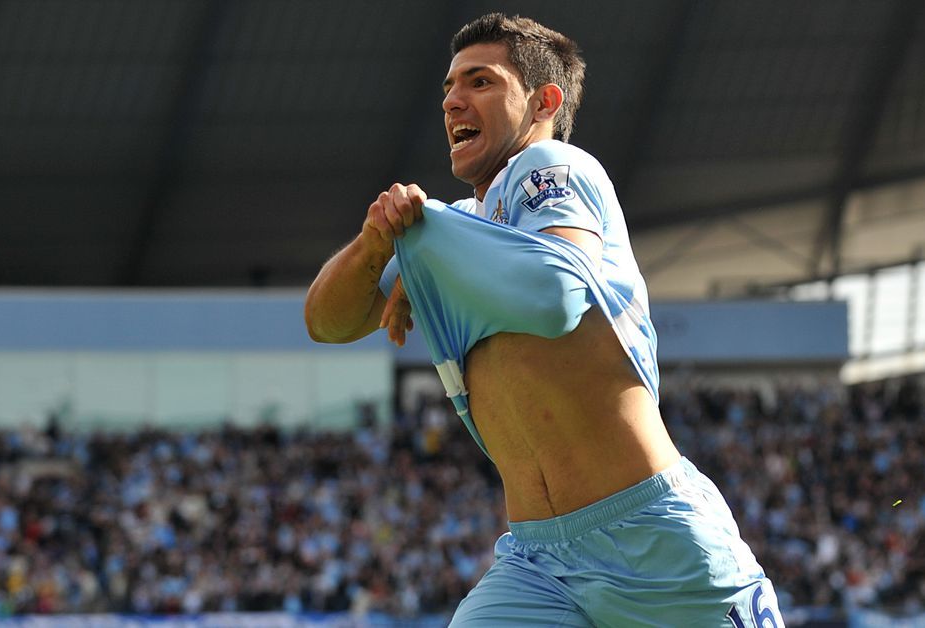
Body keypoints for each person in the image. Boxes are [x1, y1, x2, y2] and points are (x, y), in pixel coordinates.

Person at [305, 13, 784, 627]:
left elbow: (555, 295)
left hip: (654, 541)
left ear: (543, 100)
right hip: (538, 563)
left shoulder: (553, 166)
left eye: (479, 82)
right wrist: (379, 240)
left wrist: (428, 242)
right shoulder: (453, 232)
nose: (453, 101)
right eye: (449, 88)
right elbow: (328, 322)